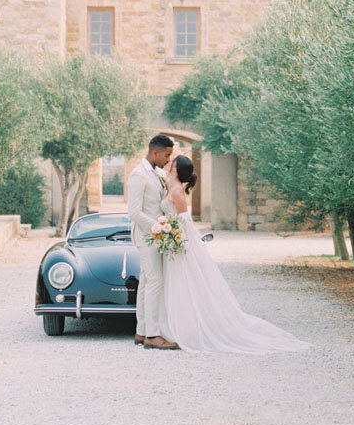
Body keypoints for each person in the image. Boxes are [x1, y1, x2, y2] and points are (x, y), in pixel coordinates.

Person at [161, 154, 310, 354]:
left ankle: (187, 329)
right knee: (178, 284)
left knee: (186, 283)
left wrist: (178, 239)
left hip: (180, 243)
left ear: (176, 169)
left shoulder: (177, 191)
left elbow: (185, 221)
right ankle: (176, 325)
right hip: (172, 241)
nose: (168, 162)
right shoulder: (169, 186)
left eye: (172, 162)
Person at [126, 134, 178, 350]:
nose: (168, 160)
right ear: (155, 152)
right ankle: (153, 335)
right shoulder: (138, 175)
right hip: (147, 237)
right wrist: (158, 229)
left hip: (153, 236)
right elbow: (135, 212)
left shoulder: (155, 173)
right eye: (167, 155)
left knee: (147, 282)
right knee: (155, 281)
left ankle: (142, 331)